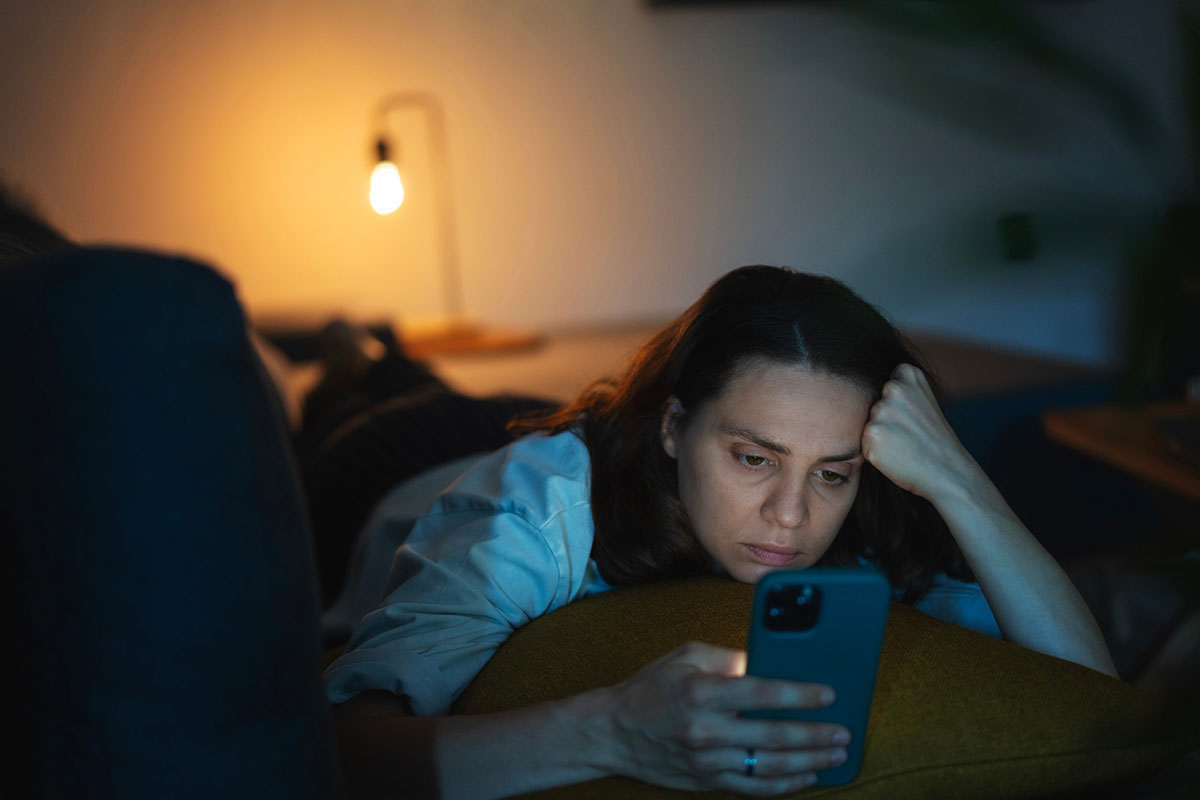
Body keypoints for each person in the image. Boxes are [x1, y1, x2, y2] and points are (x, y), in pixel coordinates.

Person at [326, 265, 1117, 798]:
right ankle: (352, 358)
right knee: (363, 395)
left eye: (832, 472)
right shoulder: (532, 513)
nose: (791, 515)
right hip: (400, 463)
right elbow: (343, 755)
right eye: (752, 457)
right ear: (675, 427)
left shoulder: (868, 509)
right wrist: (609, 732)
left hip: (596, 427)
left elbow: (1092, 707)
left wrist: (960, 480)